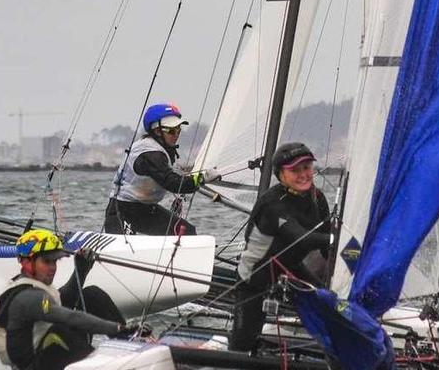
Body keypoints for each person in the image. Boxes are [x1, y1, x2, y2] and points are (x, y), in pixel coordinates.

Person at [0, 229, 145, 370]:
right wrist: (117, 328)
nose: (52, 268)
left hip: (51, 362)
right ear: (26, 262)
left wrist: (81, 268)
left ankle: (136, 351)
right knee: (59, 332)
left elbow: (67, 298)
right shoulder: (28, 298)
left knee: (91, 295)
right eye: (46, 261)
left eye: (55, 262)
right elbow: (67, 316)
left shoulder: (37, 288)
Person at [229, 142, 332, 352]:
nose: (304, 174)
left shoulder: (317, 198)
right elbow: (303, 239)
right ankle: (235, 361)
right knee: (244, 342)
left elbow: (327, 247)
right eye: (295, 170)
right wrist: (337, 240)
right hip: (254, 278)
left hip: (291, 267)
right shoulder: (273, 204)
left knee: (328, 304)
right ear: (280, 175)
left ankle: (337, 353)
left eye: (307, 167)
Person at [104, 103, 220, 236]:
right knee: (129, 246)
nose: (176, 134)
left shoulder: (160, 149)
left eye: (178, 129)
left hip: (146, 211)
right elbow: (172, 182)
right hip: (122, 211)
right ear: (157, 131)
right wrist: (201, 179)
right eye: (171, 130)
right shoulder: (149, 153)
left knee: (186, 232)